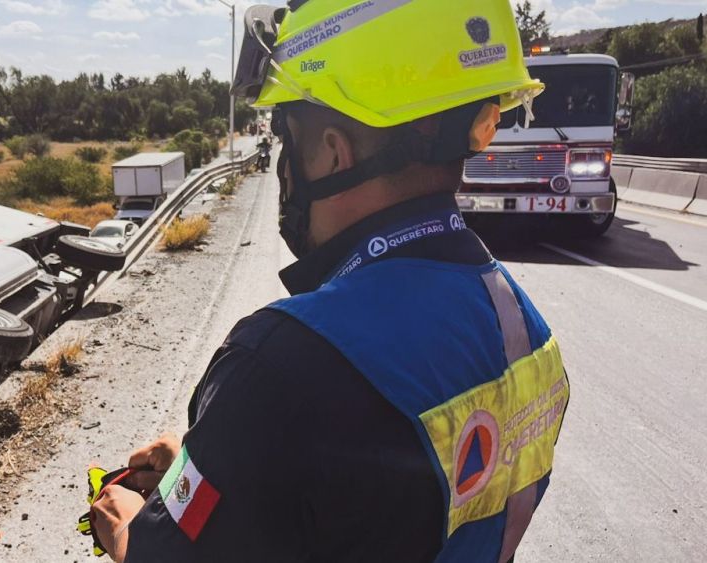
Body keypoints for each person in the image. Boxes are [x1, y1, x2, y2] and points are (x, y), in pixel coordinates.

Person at [92, 1, 569, 561]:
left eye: (287, 146)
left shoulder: (276, 365)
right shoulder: (525, 329)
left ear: (332, 153)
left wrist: (121, 525)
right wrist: (212, 465)